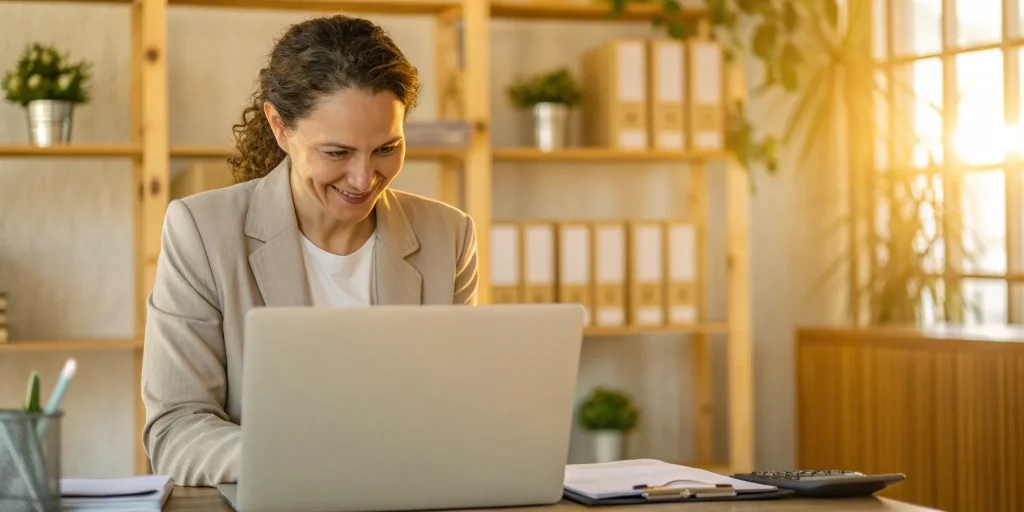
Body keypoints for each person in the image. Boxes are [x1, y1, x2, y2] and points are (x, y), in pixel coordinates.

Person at [141, 15, 479, 487]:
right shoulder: (201, 232)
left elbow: (458, 411)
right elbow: (176, 431)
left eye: (387, 148)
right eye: (337, 153)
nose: (364, 180)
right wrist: (307, 460)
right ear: (280, 127)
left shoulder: (449, 235)